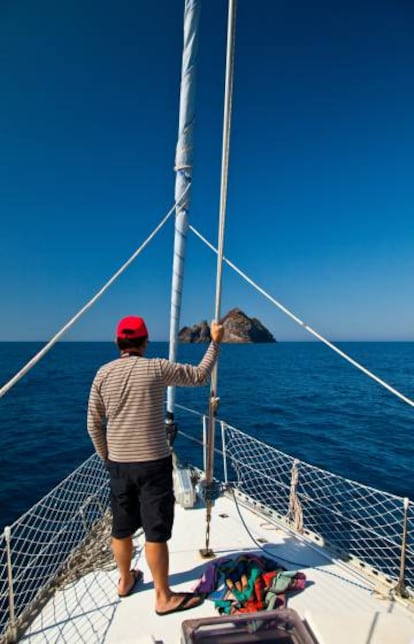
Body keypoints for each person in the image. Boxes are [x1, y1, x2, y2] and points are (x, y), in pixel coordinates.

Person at [87, 315, 224, 615]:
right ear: (145, 342)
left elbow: (93, 424)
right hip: (153, 463)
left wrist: (107, 457)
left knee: (120, 528)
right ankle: (162, 596)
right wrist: (215, 341)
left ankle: (125, 581)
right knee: (155, 530)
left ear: (117, 343)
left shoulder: (102, 374)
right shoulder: (156, 368)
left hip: (120, 465)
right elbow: (200, 375)